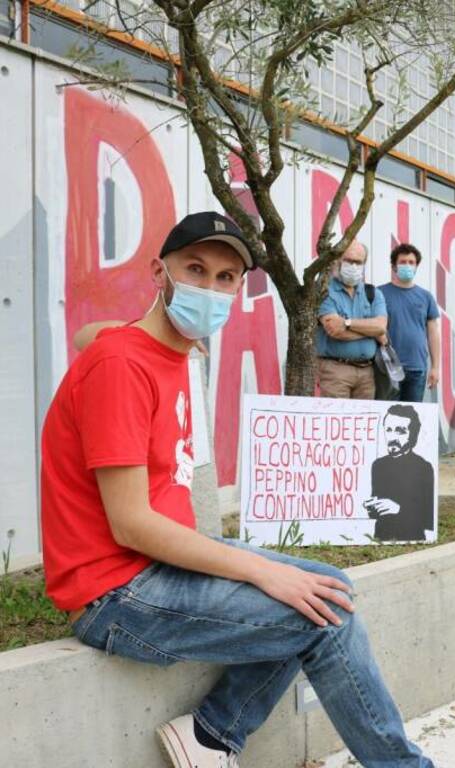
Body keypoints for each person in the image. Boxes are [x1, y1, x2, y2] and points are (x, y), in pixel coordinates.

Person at [40, 212, 432, 768]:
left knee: (328, 587)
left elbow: (92, 335)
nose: (210, 288)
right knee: (325, 617)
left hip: (152, 566)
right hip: (114, 594)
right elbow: (129, 522)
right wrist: (261, 570)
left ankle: (211, 736)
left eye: (226, 279)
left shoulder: (165, 348)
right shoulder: (123, 365)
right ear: (159, 271)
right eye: (194, 270)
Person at [317, 240, 388, 400]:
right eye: (349, 261)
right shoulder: (324, 290)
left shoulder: (373, 293)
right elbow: (335, 330)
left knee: (363, 424)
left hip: (367, 373)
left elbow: (381, 327)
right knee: (336, 422)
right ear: (337, 261)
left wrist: (347, 323)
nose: (354, 266)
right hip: (335, 370)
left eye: (358, 262)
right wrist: (371, 332)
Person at [378, 243, 441, 403]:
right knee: (388, 419)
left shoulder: (426, 297)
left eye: (411, 263)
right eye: (403, 262)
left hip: (417, 368)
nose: (407, 266)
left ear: (417, 266)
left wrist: (435, 367)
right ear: (394, 266)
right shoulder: (380, 294)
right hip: (388, 367)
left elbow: (433, 333)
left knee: (411, 420)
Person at [365, 404, 435, 541]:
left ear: (413, 434)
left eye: (400, 431)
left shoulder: (423, 467)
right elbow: (377, 512)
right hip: (381, 536)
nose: (393, 437)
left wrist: (399, 509)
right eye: (389, 430)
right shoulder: (378, 465)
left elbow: (428, 518)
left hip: (411, 536)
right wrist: (371, 508)